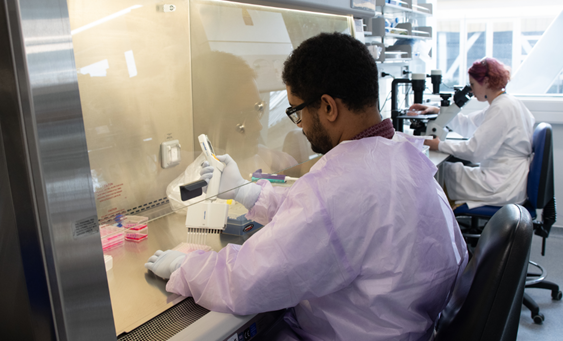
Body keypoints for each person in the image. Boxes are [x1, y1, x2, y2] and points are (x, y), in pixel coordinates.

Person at [146, 32, 468, 340]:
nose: (299, 128)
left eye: (297, 112)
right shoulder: (403, 153)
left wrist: (184, 266)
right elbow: (322, 217)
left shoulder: (341, 186)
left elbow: (247, 280)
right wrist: (247, 192)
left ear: (328, 107)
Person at [411, 57, 535, 209]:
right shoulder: (506, 102)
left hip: (502, 184)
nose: (471, 90)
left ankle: (441, 227)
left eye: (472, 84)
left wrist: (439, 145)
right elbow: (469, 124)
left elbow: (474, 152)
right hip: (505, 176)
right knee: (449, 170)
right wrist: (439, 112)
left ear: (487, 82)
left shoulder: (501, 108)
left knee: (439, 173)